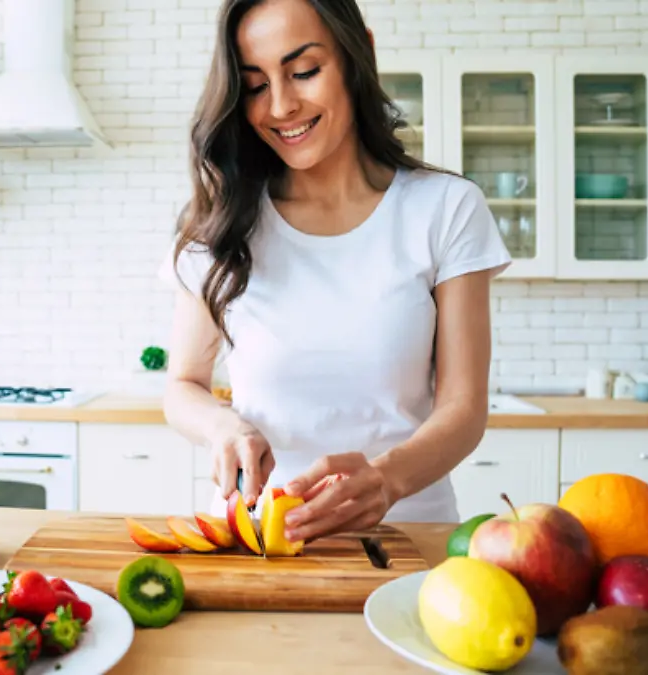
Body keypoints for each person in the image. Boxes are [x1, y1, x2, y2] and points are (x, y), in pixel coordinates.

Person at [157, 0, 512, 544]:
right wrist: (222, 426)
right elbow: (183, 385)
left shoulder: (444, 209)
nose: (280, 105)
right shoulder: (221, 222)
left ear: (358, 53)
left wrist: (387, 481)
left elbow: (463, 409)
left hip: (407, 537)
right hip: (255, 536)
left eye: (304, 72)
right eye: (255, 85)